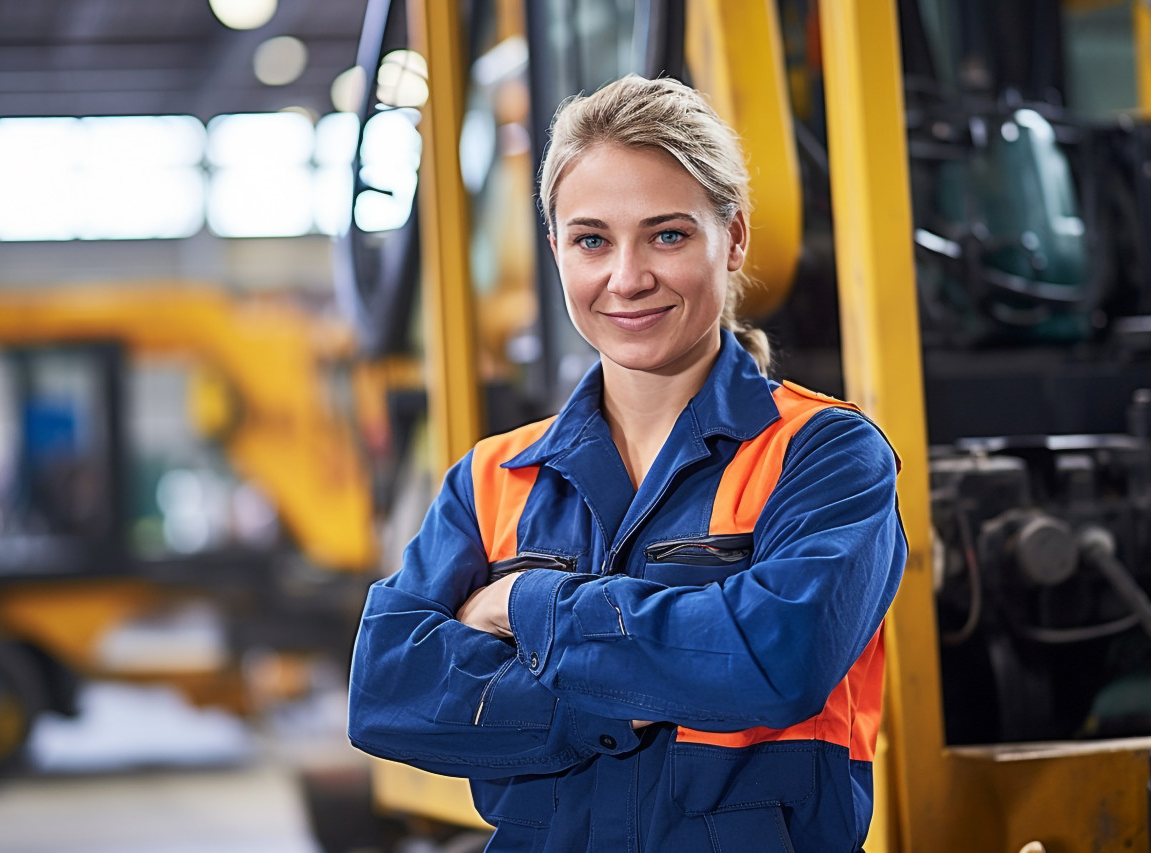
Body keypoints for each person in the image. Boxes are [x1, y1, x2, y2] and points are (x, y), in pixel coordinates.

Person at [348, 73, 908, 853]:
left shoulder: (823, 455)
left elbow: (774, 658)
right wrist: (633, 690)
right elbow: (386, 691)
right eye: (592, 240)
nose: (627, 277)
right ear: (557, 251)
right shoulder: (493, 478)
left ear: (735, 237)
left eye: (668, 234)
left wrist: (524, 606)